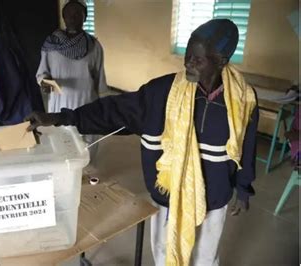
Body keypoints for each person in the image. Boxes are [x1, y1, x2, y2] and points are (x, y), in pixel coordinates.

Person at [27, 19, 259, 266]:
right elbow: (113, 111)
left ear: (221, 61)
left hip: (214, 196)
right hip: (168, 192)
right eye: (188, 55)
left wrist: (243, 189)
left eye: (198, 59)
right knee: (163, 251)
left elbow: (248, 145)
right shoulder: (162, 92)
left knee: (205, 255)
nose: (189, 63)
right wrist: (59, 117)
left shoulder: (242, 100)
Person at [36, 0, 108, 166]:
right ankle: (63, 170)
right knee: (61, 137)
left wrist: (102, 106)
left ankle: (85, 172)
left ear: (85, 17)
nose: (73, 18)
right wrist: (44, 83)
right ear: (63, 17)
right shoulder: (51, 44)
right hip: (59, 101)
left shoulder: (94, 46)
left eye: (78, 14)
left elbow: (99, 78)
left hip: (86, 101)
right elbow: (42, 73)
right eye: (69, 14)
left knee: (86, 141)